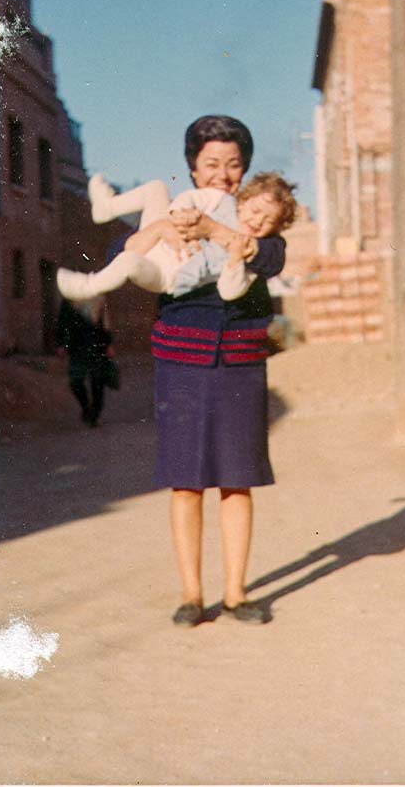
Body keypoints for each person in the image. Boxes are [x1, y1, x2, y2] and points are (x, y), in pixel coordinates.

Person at [108, 115, 289, 626]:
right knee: (186, 483)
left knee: (238, 481)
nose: (223, 175)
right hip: (181, 363)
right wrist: (161, 229)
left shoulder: (260, 224)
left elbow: (269, 257)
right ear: (193, 168)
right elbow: (117, 256)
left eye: (234, 165)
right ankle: (192, 594)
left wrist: (216, 229)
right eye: (212, 163)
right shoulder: (173, 212)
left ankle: (236, 593)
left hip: (239, 365)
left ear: (245, 170)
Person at [55, 171, 297, 302]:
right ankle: (107, 207)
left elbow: (229, 292)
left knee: (128, 261)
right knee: (157, 188)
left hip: (165, 275)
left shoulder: (246, 251)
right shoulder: (220, 200)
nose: (257, 221)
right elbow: (191, 198)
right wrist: (176, 214)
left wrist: (234, 260)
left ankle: (89, 286)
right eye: (255, 211)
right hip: (163, 239)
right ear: (243, 201)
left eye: (268, 221)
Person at [54, 296, 114, 427]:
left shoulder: (99, 297)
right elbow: (62, 321)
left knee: (97, 381)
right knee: (75, 381)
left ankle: (95, 414)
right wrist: (60, 344)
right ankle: (86, 408)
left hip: (97, 346)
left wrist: (109, 343)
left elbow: (105, 322)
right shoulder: (69, 299)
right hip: (77, 346)